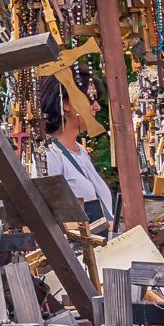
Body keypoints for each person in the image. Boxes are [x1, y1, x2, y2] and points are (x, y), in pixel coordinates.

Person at [35, 77, 114, 231]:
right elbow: (52, 221)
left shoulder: (80, 151)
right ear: (66, 104)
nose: (97, 107)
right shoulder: (48, 154)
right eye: (90, 100)